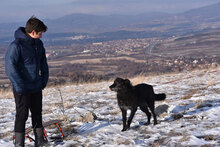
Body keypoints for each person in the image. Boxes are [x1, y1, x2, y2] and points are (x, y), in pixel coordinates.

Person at [5, 16, 49, 147]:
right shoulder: (16, 46)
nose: (41, 36)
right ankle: (19, 144)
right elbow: (10, 68)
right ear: (33, 32)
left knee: (37, 114)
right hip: (22, 89)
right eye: (40, 33)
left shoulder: (38, 44)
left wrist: (43, 80)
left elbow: (43, 64)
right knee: (21, 116)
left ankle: (40, 141)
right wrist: (19, 86)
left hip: (36, 87)